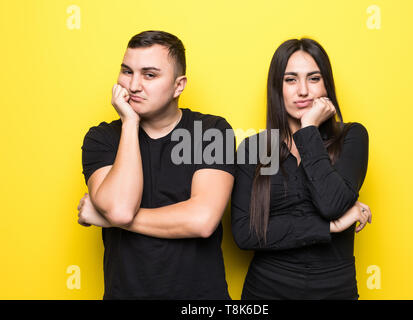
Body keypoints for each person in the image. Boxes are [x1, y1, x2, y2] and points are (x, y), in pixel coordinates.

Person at [77, 30, 235, 299]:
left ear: (178, 85)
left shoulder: (212, 131)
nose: (134, 85)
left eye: (149, 75)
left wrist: (108, 220)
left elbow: (202, 220)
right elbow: (120, 209)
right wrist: (129, 123)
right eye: (127, 71)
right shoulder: (102, 138)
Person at [231, 38, 372, 300]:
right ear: (277, 88)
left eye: (314, 78)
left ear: (326, 84)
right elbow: (245, 233)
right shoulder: (254, 149)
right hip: (266, 290)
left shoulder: (352, 136)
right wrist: (329, 227)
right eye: (291, 80)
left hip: (335, 290)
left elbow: (331, 203)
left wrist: (308, 129)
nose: (303, 90)